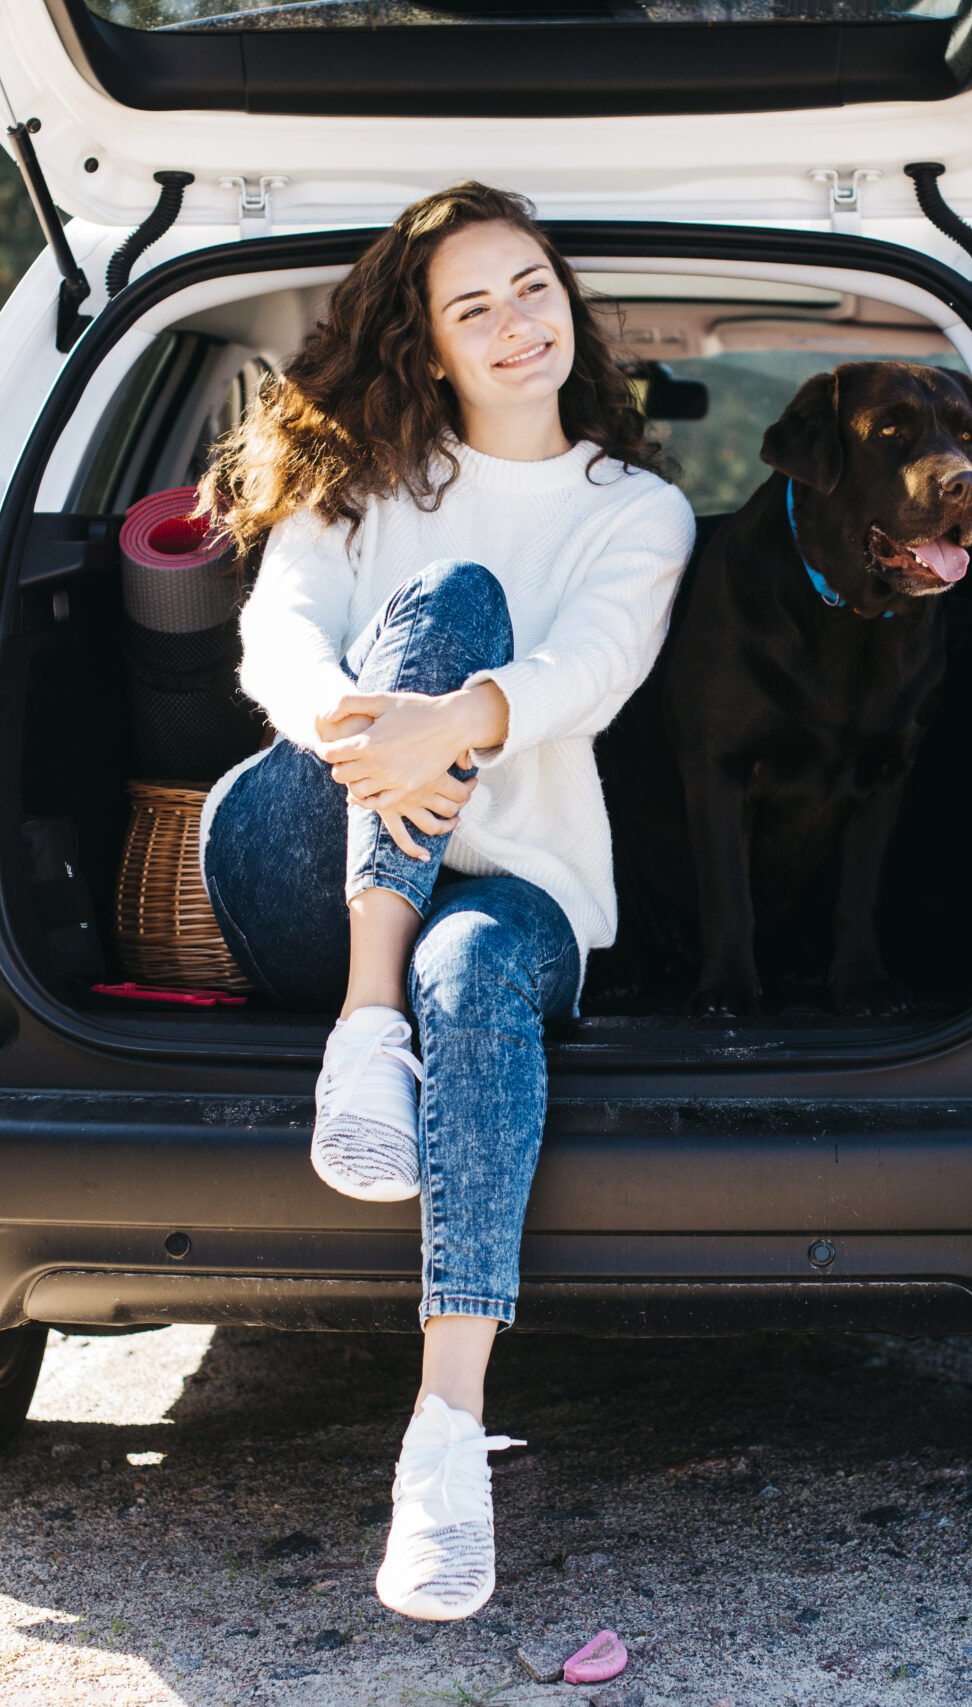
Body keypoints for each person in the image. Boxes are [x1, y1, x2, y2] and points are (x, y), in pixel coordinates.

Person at [193, 181, 695, 1621]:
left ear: (568, 302)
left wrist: (454, 723)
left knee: (471, 979)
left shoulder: (638, 511)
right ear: (429, 345)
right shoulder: (366, 484)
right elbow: (278, 630)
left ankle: (445, 1437)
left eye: (532, 287)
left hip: (516, 888)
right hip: (305, 852)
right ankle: (365, 1026)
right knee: (456, 594)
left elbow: (593, 668)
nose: (517, 322)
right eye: (474, 306)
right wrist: (365, 733)